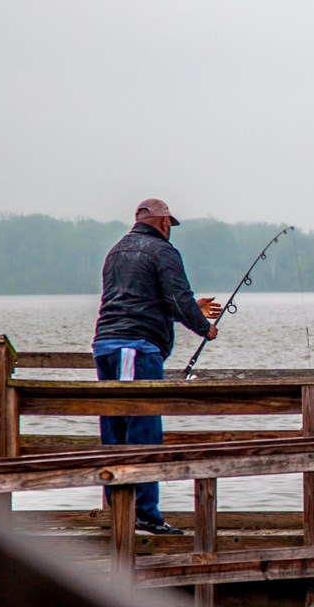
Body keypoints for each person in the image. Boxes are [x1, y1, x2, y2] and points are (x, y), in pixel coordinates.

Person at [92, 198, 221, 535]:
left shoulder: (117, 251)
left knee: (115, 431)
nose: (170, 231)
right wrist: (203, 327)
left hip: (105, 347)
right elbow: (177, 299)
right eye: (170, 225)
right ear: (164, 223)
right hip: (135, 349)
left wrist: (191, 309)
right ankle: (146, 516)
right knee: (143, 432)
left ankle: (118, 512)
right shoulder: (163, 252)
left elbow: (147, 300)